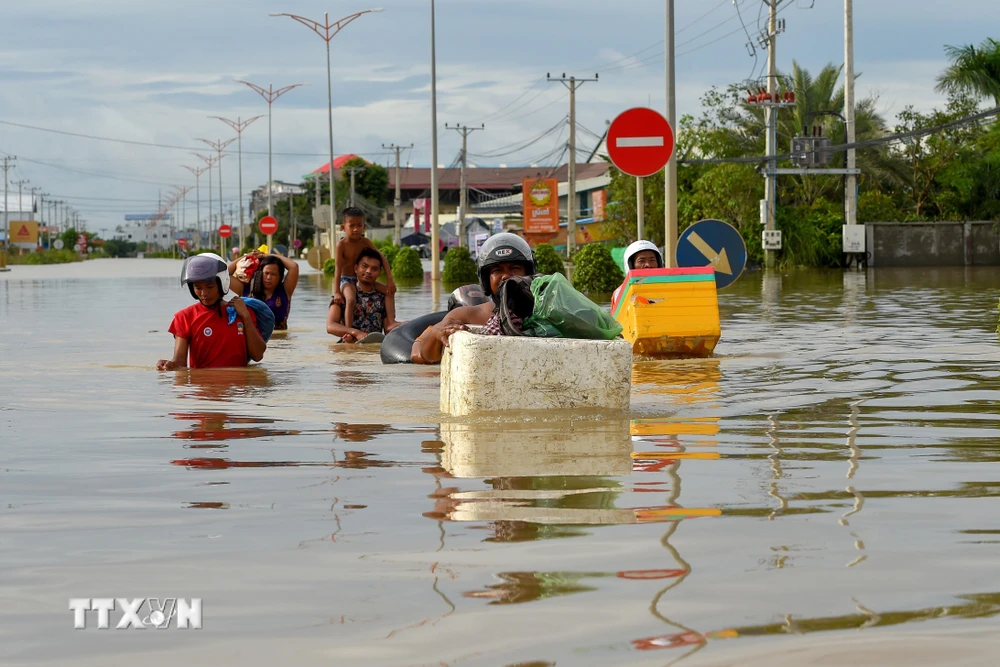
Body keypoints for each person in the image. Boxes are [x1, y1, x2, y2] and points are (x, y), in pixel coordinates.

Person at [410, 233, 535, 364]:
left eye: (515, 268)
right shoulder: (465, 315)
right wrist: (436, 332)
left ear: (529, 274)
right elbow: (429, 357)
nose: (506, 276)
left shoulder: (546, 310)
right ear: (486, 279)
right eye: (497, 270)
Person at [156, 253, 267, 370]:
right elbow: (179, 362)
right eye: (198, 288)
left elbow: (258, 355)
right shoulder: (184, 317)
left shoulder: (242, 311)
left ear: (222, 284)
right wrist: (169, 365)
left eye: (210, 287)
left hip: (237, 388)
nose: (204, 293)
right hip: (203, 386)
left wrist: (246, 317)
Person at [332, 207, 396, 330]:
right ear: (343, 227)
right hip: (347, 280)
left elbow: (381, 258)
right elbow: (338, 269)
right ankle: (348, 330)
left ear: (364, 227)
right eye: (351, 226)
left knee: (389, 292)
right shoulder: (341, 245)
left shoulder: (365, 242)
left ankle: (391, 322)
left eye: (359, 225)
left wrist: (390, 280)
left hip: (362, 278)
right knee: (350, 299)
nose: (356, 229)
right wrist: (336, 292)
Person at [326, 247, 401, 343]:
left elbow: (388, 329)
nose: (369, 271)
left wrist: (407, 325)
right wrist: (355, 333)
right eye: (365, 266)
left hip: (374, 349)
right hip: (348, 347)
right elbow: (330, 326)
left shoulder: (382, 298)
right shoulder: (342, 296)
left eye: (374, 269)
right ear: (356, 268)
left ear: (379, 273)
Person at [228, 250, 299, 329]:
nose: (269, 278)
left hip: (280, 338)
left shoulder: (285, 290)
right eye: (266, 273)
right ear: (260, 273)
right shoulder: (246, 289)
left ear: (280, 276)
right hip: (254, 337)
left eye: (273, 274)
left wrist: (266, 255)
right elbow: (224, 274)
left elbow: (294, 266)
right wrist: (248, 256)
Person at [613, 240, 665, 305]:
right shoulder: (619, 293)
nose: (648, 265)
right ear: (631, 264)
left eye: (652, 260)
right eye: (641, 261)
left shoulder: (670, 286)